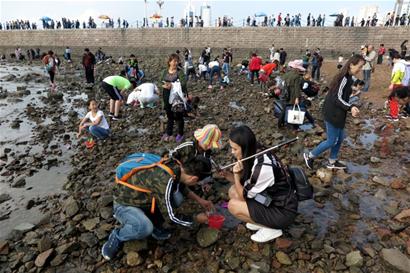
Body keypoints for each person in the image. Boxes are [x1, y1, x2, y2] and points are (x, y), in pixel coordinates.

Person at [101, 155, 213, 260]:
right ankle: (118, 235)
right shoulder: (165, 180)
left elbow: (181, 186)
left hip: (144, 199)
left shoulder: (175, 165)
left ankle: (155, 223)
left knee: (176, 198)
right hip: (124, 203)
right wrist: (196, 219)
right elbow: (171, 216)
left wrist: (201, 201)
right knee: (144, 228)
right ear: (193, 179)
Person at [220, 125, 297, 243]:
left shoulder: (262, 168)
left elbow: (242, 196)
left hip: (283, 211)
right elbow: (244, 185)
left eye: (235, 149)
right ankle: (262, 221)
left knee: (233, 205)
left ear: (244, 147)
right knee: (232, 191)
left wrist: (236, 174)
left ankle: (272, 228)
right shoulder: (255, 150)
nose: (232, 152)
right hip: (270, 199)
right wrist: (227, 175)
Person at [303, 55, 364, 170]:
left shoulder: (349, 78)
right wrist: (350, 107)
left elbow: (344, 97)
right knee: (331, 140)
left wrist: (351, 106)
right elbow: (337, 97)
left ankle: (332, 161)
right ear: (351, 65)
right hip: (332, 112)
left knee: (340, 138)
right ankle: (309, 156)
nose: (360, 69)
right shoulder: (343, 78)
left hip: (339, 112)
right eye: (359, 67)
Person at [160, 53, 187, 142]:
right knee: (169, 115)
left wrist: (173, 85)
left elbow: (183, 84)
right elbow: (160, 82)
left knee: (179, 116)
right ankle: (169, 132)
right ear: (169, 62)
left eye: (177, 61)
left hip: (177, 97)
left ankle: (180, 133)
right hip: (166, 96)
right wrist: (164, 85)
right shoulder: (164, 71)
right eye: (174, 61)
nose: (175, 63)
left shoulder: (180, 72)